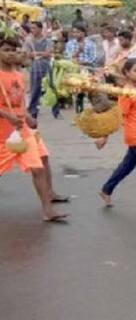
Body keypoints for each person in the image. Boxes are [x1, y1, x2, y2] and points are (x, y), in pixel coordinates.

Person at [0, 34, 68, 222]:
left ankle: (48, 206)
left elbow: (19, 101)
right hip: (4, 133)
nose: (11, 54)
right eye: (6, 50)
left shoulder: (18, 75)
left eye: (13, 50)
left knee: (40, 162)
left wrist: (28, 116)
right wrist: (8, 116)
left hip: (22, 129)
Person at [97, 59, 136, 207]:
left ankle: (106, 189)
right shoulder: (126, 92)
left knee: (127, 165)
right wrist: (105, 136)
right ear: (127, 73)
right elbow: (119, 115)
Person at [24, 21, 52, 120]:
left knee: (50, 87)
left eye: (34, 28)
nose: (32, 30)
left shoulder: (47, 40)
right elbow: (27, 54)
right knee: (35, 87)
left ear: (40, 29)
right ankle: (33, 108)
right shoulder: (29, 40)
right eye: (31, 28)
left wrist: (36, 54)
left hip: (46, 65)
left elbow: (48, 54)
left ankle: (55, 109)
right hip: (34, 66)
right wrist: (40, 54)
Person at [65, 25, 97, 113]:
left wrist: (83, 63)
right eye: (74, 32)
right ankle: (79, 112)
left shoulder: (91, 44)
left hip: (88, 69)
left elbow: (93, 57)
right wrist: (78, 51)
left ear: (83, 33)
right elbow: (68, 57)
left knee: (91, 91)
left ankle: (94, 111)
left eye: (78, 32)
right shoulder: (70, 44)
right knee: (77, 92)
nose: (75, 34)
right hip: (75, 70)